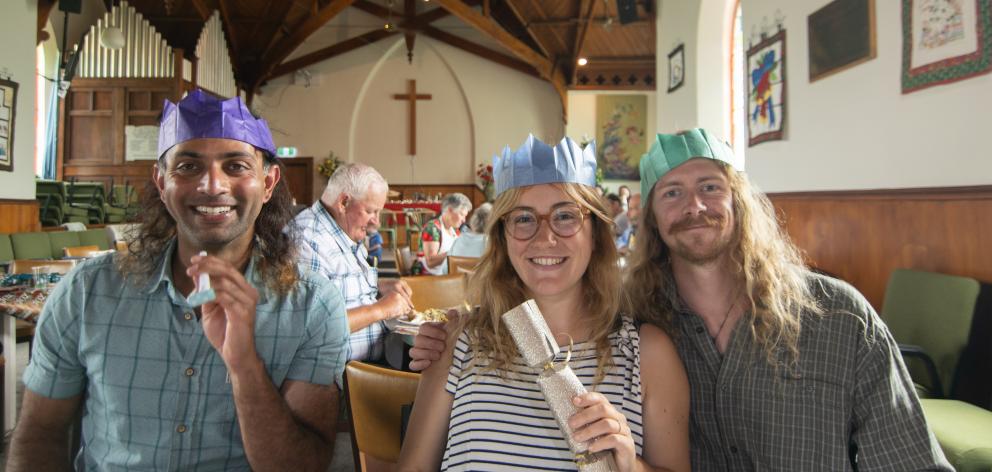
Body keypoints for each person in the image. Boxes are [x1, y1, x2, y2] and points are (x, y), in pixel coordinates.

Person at [410, 128, 952, 471]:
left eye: (711, 186)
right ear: (651, 220)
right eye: (672, 191)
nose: (694, 204)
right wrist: (453, 327)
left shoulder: (837, 317)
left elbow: (912, 461)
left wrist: (625, 456)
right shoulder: (647, 322)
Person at [8, 90, 350, 471]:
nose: (212, 185)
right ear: (161, 182)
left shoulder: (313, 307)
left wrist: (244, 365)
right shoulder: (87, 293)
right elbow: (40, 434)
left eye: (236, 166)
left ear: (268, 183)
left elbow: (303, 466)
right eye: (188, 166)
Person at [397, 134, 689, 471]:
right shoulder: (458, 340)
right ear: (502, 239)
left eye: (565, 216)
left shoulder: (648, 353)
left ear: (594, 234)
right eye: (523, 218)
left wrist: (628, 462)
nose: (545, 237)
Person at [292, 163, 414, 362]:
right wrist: (381, 309)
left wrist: (381, 286)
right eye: (371, 211)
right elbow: (311, 327)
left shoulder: (342, 229)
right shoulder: (308, 241)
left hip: (370, 362)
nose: (377, 222)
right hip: (342, 378)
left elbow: (340, 287)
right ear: (344, 202)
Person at [411, 193, 472, 275]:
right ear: (450, 210)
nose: (464, 220)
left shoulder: (454, 230)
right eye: (462, 214)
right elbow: (430, 262)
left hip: (445, 276)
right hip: (430, 280)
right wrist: (455, 251)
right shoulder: (432, 228)